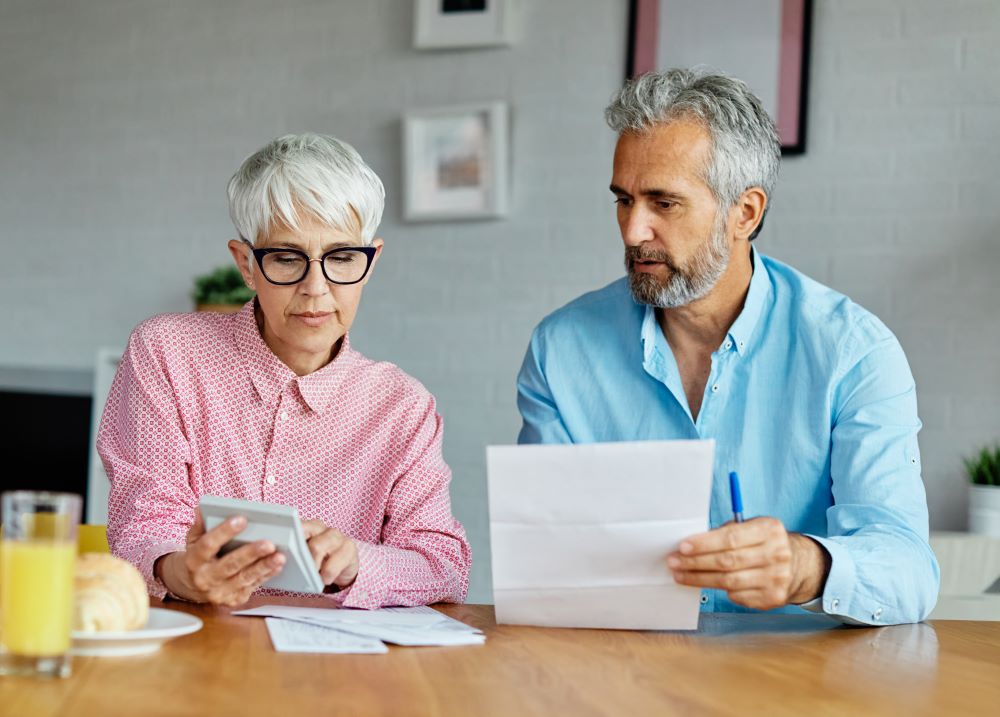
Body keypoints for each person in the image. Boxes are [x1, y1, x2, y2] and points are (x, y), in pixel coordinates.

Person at [516, 69, 939, 625]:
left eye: (664, 203)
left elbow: (908, 572)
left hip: (798, 672)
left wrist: (802, 567)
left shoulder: (852, 352)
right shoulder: (560, 350)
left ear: (745, 212)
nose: (633, 231)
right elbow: (546, 564)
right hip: (625, 666)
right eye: (624, 200)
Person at [98, 133, 470, 608]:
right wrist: (183, 573)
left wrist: (357, 562)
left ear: (371, 262)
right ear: (246, 265)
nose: (315, 288)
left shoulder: (403, 406)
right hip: (198, 643)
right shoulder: (167, 353)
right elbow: (143, 528)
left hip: (337, 654)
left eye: (341, 258)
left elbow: (445, 567)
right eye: (287, 258)